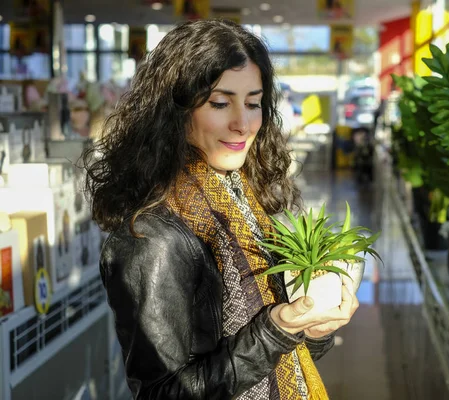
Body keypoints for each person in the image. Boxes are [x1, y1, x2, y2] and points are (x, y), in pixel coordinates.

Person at [83, 19, 359, 399]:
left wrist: (313, 329)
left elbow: (282, 359)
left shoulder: (242, 206)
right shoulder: (152, 237)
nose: (242, 124)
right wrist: (272, 332)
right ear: (175, 110)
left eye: (253, 103)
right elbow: (162, 393)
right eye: (219, 102)